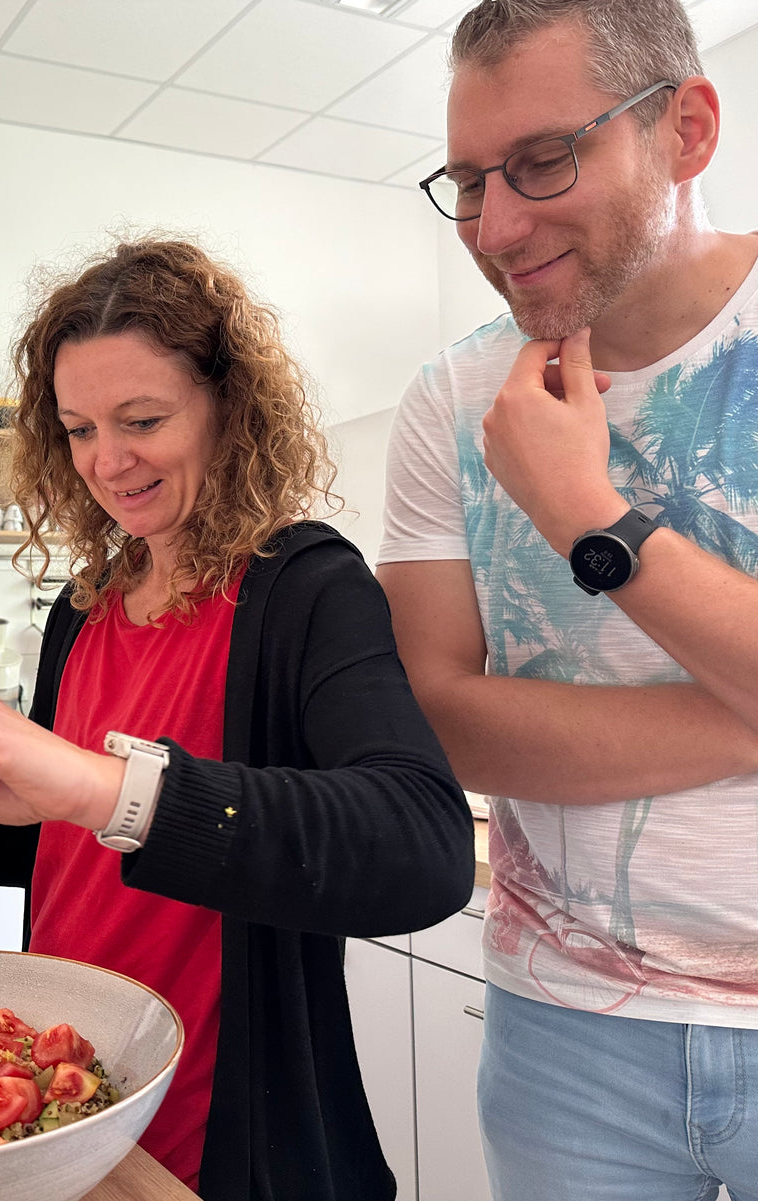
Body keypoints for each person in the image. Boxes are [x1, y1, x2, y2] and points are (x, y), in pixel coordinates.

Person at [0, 237, 474, 1199]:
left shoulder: (304, 586)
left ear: (228, 410)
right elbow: (69, 852)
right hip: (58, 1101)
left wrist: (112, 785)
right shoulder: (83, 605)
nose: (107, 461)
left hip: (210, 1129)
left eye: (142, 418)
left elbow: (422, 845)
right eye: (77, 428)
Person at [377, 1, 758, 1198]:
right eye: (470, 180)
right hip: (566, 1029)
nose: (495, 225)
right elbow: (444, 716)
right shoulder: (450, 403)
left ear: (686, 129)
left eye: (544, 162)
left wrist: (590, 520)